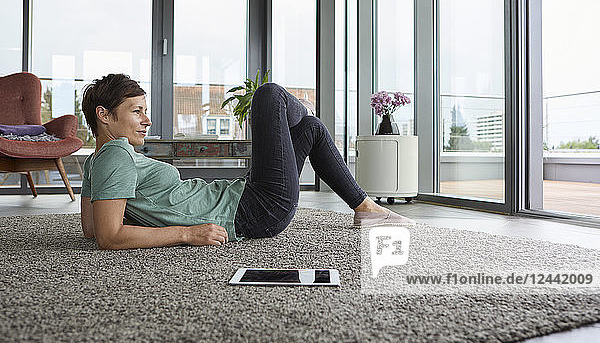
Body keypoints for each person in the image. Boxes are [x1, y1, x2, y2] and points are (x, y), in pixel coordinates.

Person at [80, 74, 414, 250]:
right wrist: (186, 233)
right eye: (136, 111)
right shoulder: (116, 155)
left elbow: (92, 228)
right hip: (252, 211)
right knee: (269, 95)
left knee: (310, 130)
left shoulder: (98, 159)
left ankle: (364, 208)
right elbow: (109, 237)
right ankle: (303, 109)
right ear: (104, 116)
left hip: (245, 200)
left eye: (144, 110)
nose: (147, 120)